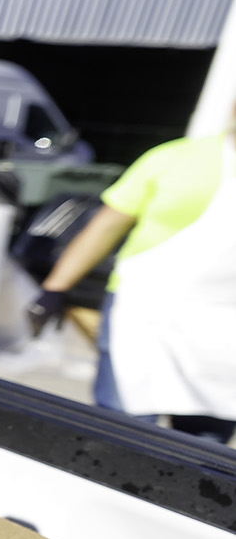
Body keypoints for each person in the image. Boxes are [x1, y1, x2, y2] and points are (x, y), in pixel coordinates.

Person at [31, 120, 236, 441]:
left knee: (206, 441)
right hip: (143, 315)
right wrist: (55, 287)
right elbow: (107, 225)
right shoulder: (174, 158)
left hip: (225, 329)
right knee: (122, 430)